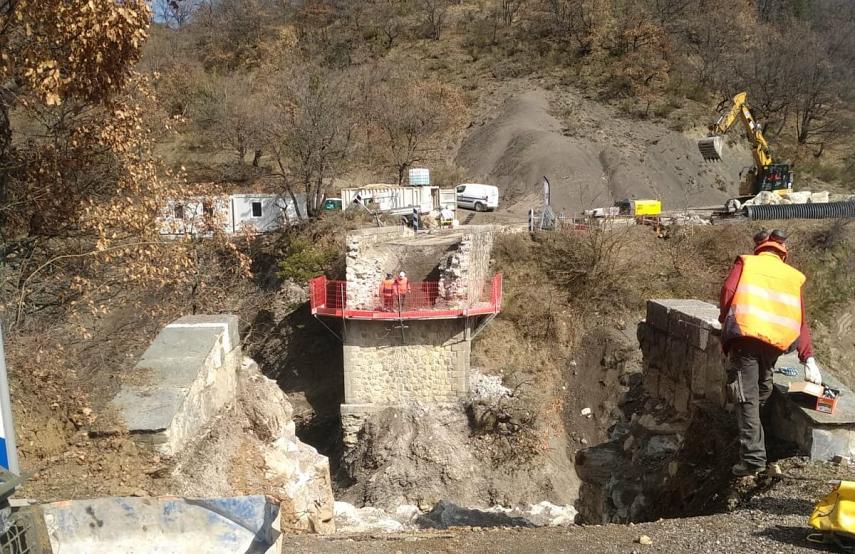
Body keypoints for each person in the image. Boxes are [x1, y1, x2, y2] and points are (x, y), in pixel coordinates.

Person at [719, 229, 823, 476]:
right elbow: (801, 321)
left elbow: (727, 292)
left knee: (746, 396)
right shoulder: (793, 277)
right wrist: (807, 357)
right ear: (782, 251)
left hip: (746, 337)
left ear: (760, 247)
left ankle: (753, 459)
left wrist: (725, 319)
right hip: (774, 344)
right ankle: (754, 442)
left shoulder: (747, 262)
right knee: (762, 391)